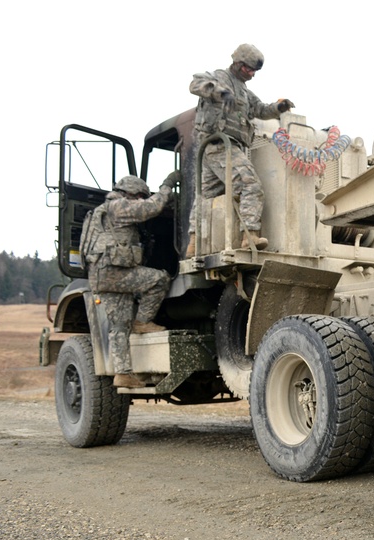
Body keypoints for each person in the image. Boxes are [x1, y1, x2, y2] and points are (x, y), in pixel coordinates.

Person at [186, 44, 294, 255]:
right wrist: (221, 93)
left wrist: (278, 108)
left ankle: (194, 243)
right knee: (250, 185)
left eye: (255, 71)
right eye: (248, 69)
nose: (252, 74)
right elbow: (195, 83)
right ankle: (250, 235)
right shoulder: (219, 77)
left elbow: (259, 109)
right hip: (218, 146)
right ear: (237, 63)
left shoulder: (244, 91)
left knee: (205, 197)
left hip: (218, 149)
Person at [83, 173, 179, 388]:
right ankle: (144, 321)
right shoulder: (118, 206)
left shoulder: (102, 211)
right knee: (158, 279)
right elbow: (151, 208)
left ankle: (123, 373)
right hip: (114, 273)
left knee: (120, 325)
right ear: (131, 193)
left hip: (102, 275)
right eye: (140, 197)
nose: (140, 201)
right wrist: (167, 186)